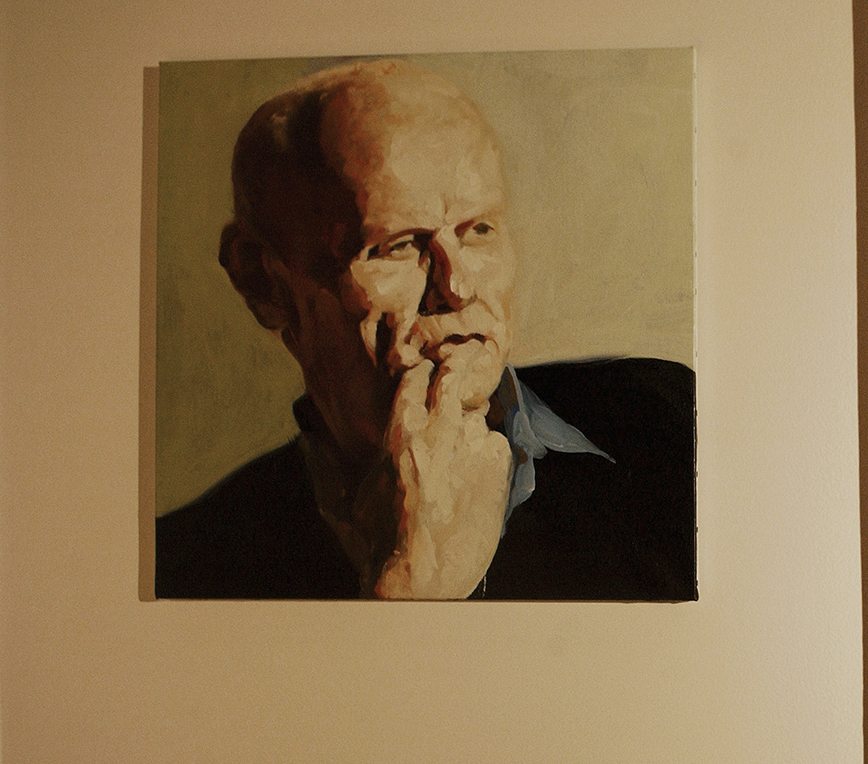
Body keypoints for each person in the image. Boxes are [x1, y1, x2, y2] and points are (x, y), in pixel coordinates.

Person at [155, 60, 695, 601]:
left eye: (478, 230)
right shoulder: (192, 564)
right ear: (263, 283)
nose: (456, 287)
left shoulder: (669, 426)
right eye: (399, 245)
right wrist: (408, 586)